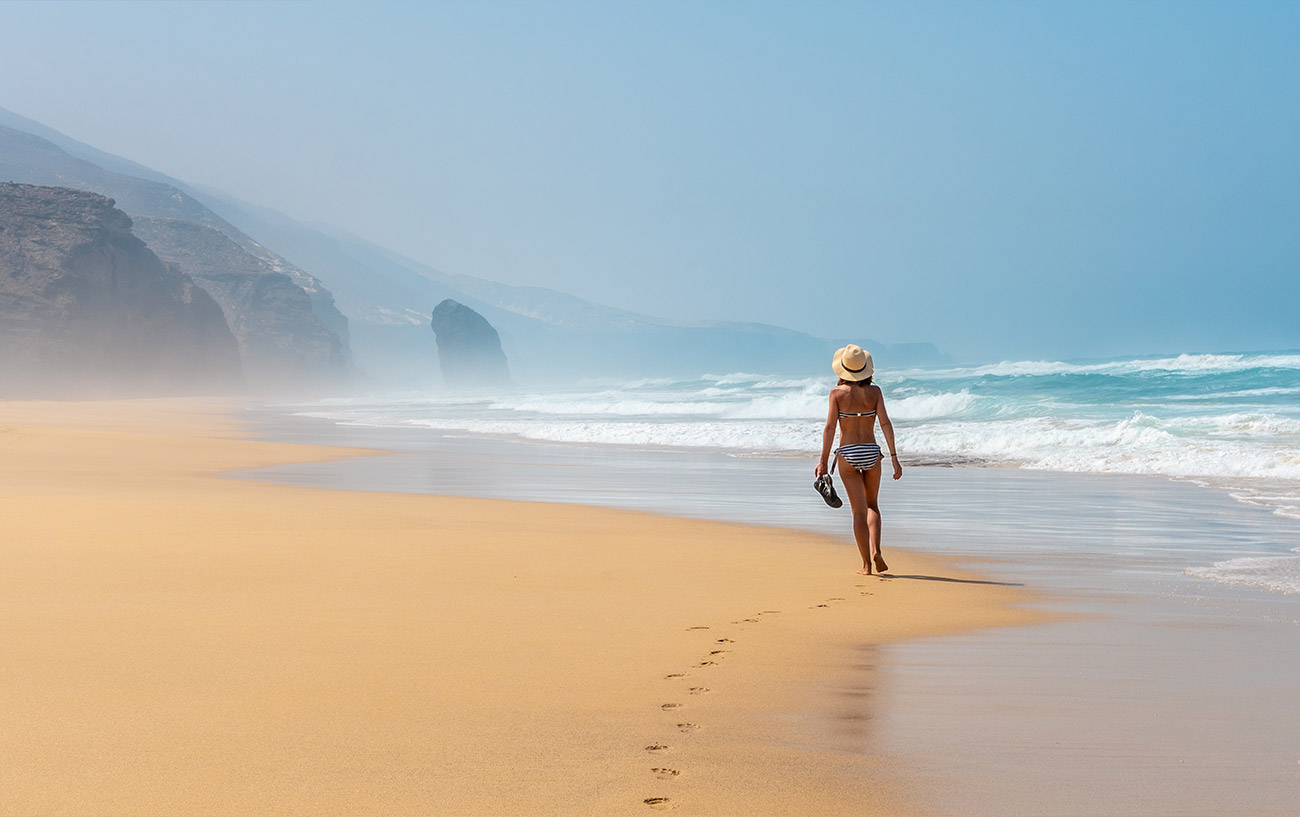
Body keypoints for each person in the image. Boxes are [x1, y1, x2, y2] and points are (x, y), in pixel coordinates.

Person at [814, 344, 902, 575]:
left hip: (848, 453)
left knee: (858, 512)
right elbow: (885, 424)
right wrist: (894, 458)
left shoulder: (837, 394)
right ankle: (877, 550)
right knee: (872, 505)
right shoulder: (875, 392)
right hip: (872, 453)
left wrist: (823, 461)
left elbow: (830, 428)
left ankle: (866, 566)